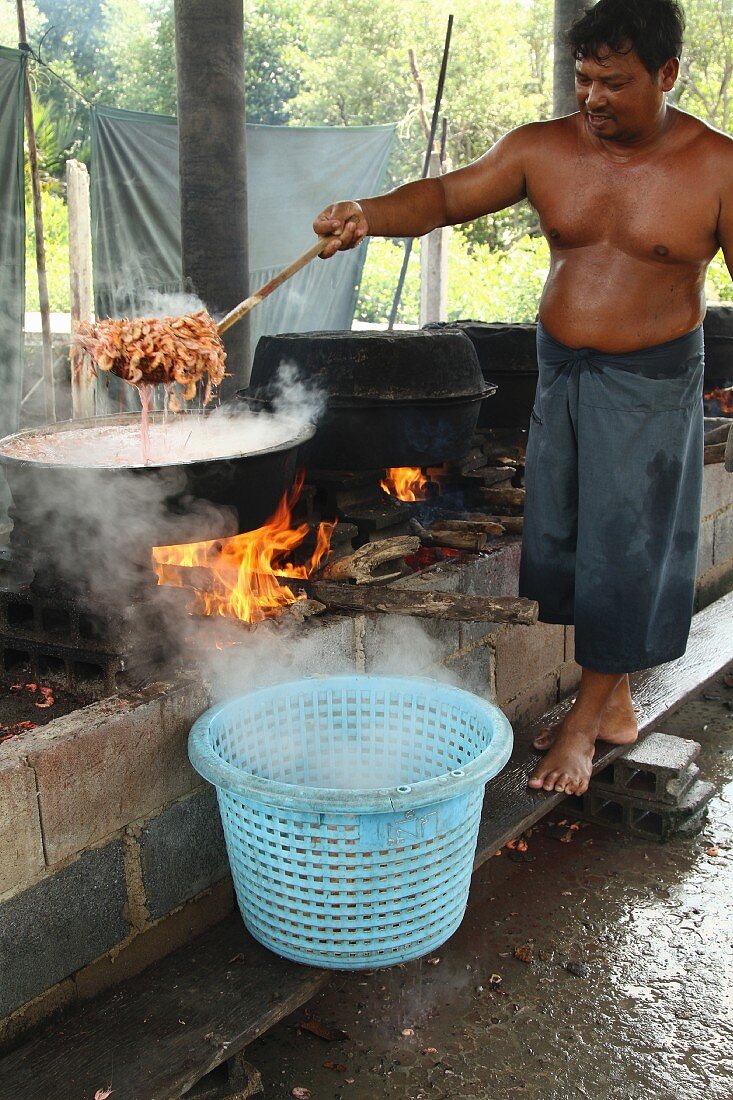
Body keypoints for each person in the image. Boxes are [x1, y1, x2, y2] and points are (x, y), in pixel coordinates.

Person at [313, 0, 732, 799]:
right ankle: (610, 707)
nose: (592, 99)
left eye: (613, 83)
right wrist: (369, 215)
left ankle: (586, 718)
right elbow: (442, 198)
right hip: (560, 370)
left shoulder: (718, 167)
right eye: (583, 80)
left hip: (649, 381)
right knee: (568, 546)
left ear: (666, 75)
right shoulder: (542, 149)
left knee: (628, 550)